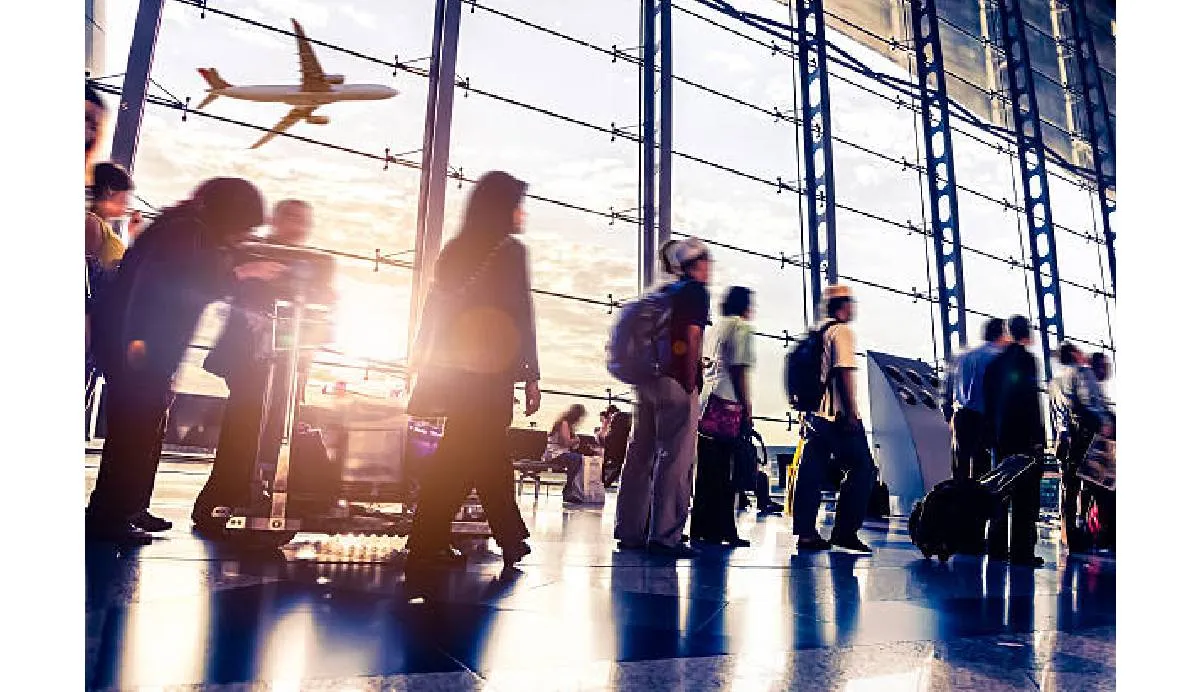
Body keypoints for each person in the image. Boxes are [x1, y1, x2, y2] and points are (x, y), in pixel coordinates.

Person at [86, 178, 286, 543]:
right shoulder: (185, 232)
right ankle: (108, 516)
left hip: (144, 346)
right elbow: (180, 283)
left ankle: (128, 507)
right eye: (243, 226)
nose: (243, 236)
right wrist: (241, 273)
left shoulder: (185, 227)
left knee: (146, 429)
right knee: (134, 432)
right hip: (139, 347)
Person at [406, 170, 541, 570]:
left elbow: (434, 311)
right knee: (480, 452)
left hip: (455, 373)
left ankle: (431, 536)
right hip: (490, 373)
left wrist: (421, 358)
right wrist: (531, 375)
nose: (523, 213)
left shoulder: (455, 251)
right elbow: (520, 316)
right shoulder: (510, 251)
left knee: (467, 453)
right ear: (502, 208)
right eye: (518, 205)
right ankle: (505, 535)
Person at [191, 200, 329, 534]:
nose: (297, 225)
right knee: (244, 427)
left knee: (271, 428)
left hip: (287, 359)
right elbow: (233, 291)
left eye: (303, 219)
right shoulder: (253, 253)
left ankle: (254, 496)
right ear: (277, 220)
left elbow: (322, 304)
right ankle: (220, 500)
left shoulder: (308, 261)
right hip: (251, 357)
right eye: (291, 217)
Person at [614, 238, 712, 559]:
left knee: (640, 454)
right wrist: (688, 379)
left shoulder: (661, 295)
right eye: (706, 261)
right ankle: (665, 536)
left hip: (646, 382)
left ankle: (629, 531)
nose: (709, 268)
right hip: (674, 381)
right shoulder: (694, 291)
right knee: (676, 458)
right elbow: (692, 336)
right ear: (695, 264)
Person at [791, 284, 878, 554]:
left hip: (813, 414)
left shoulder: (818, 332)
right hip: (835, 415)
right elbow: (843, 372)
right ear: (843, 306)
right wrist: (851, 412)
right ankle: (845, 532)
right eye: (851, 303)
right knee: (863, 469)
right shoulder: (842, 332)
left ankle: (805, 533)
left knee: (811, 472)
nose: (853, 308)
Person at [691, 286, 757, 547]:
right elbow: (739, 370)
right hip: (727, 404)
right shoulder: (741, 328)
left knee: (707, 469)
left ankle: (701, 527)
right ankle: (723, 530)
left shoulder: (716, 328)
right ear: (744, 305)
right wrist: (747, 407)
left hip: (707, 403)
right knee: (726, 471)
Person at [981, 315, 1047, 567]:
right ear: (1026, 332)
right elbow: (1030, 400)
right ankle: (1021, 551)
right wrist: (1037, 437)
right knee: (1026, 496)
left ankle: (996, 546)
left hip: (1001, 437)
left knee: (1001, 489)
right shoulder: (1027, 360)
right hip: (1023, 436)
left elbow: (988, 402)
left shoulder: (994, 364)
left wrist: (990, 433)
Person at [942, 318, 1008, 483]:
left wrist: (949, 414)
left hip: (961, 416)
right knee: (982, 470)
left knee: (960, 466)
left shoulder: (963, 356)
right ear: (1001, 335)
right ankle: (976, 506)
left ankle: (957, 504)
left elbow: (946, 389)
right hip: (983, 418)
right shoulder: (997, 357)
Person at [545, 404, 588, 504]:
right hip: (555, 453)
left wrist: (574, 442)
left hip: (560, 453)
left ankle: (572, 489)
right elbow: (565, 442)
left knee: (578, 459)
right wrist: (576, 440)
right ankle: (569, 489)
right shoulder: (564, 423)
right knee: (576, 459)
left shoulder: (568, 425)